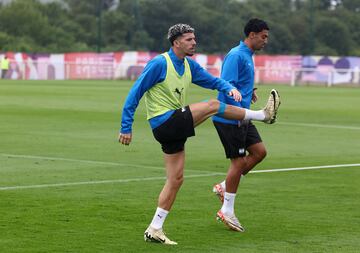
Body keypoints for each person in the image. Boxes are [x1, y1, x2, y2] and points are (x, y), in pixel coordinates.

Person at [118, 23, 280, 245]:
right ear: (176, 42)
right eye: (189, 39)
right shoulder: (159, 63)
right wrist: (126, 126)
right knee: (212, 105)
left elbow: (211, 80)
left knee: (175, 179)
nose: (194, 42)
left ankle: (154, 229)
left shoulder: (188, 65)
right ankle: (262, 115)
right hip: (165, 121)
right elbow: (135, 92)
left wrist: (227, 87)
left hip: (174, 127)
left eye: (194, 39)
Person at [212, 18, 277, 232]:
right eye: (263, 36)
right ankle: (227, 210)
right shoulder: (236, 55)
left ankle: (224, 186)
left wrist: (252, 91)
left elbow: (240, 83)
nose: (266, 40)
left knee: (259, 152)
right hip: (230, 118)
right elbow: (226, 86)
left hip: (244, 116)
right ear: (252, 35)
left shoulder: (248, 55)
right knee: (238, 162)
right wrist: (238, 112)